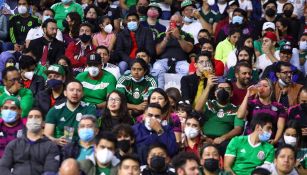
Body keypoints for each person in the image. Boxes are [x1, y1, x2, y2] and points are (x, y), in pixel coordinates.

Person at [0, 108, 60, 175]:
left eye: (37, 117)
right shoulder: (14, 144)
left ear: (43, 123)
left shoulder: (51, 146)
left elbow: (50, 171)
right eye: (30, 117)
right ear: (26, 121)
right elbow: (3, 167)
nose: (33, 119)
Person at [195, 79, 244, 155]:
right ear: (215, 93)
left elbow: (238, 129)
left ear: (231, 93)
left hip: (224, 141)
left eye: (227, 89)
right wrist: (208, 87)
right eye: (220, 88)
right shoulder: (208, 104)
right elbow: (197, 109)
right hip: (205, 138)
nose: (223, 91)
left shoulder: (236, 109)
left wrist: (222, 138)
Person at [44, 80, 96, 146]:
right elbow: (47, 135)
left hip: (83, 145)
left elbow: (91, 132)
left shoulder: (89, 108)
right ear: (65, 93)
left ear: (82, 94)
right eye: (71, 90)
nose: (75, 93)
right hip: (60, 147)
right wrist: (56, 141)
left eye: (78, 90)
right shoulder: (55, 110)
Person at [237, 78, 287, 145]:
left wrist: (275, 140)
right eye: (259, 85)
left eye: (265, 86)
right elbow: (240, 116)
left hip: (268, 142)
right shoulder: (251, 103)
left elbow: (280, 127)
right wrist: (247, 95)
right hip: (250, 141)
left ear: (271, 90)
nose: (261, 88)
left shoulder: (279, 106)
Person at [152, 14, 194, 89]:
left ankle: (180, 93)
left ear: (182, 24)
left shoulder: (188, 35)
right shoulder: (161, 35)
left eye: (177, 22)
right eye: (172, 22)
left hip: (181, 61)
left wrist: (179, 37)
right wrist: (166, 39)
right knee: (157, 67)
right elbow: (157, 52)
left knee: (187, 69)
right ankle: (159, 91)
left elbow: (188, 49)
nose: (174, 24)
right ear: (169, 23)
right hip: (163, 61)